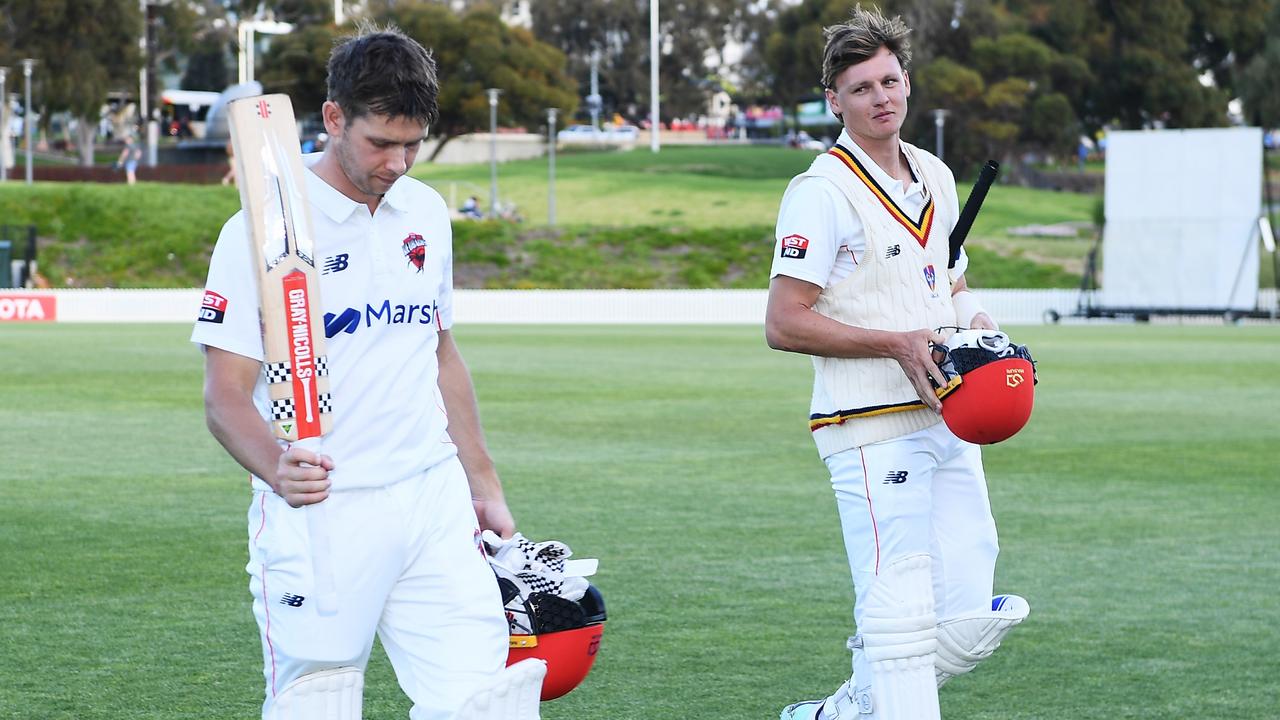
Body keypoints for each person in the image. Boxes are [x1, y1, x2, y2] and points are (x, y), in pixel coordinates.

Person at [191, 25, 516, 719]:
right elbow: (224, 396)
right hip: (324, 512)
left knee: (484, 701)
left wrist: (481, 482)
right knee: (320, 703)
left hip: (432, 497)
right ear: (334, 118)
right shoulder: (262, 225)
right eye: (380, 143)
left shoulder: (426, 213)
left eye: (412, 143)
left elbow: (441, 354)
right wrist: (276, 465)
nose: (399, 162)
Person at [765, 6, 1027, 720]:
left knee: (970, 612)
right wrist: (898, 343)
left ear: (907, 82)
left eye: (890, 79)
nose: (880, 96)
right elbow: (783, 323)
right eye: (860, 87)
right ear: (834, 102)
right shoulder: (820, 192)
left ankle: (842, 712)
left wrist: (978, 326)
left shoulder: (936, 175)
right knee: (902, 616)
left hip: (952, 414)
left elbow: (953, 282)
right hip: (869, 425)